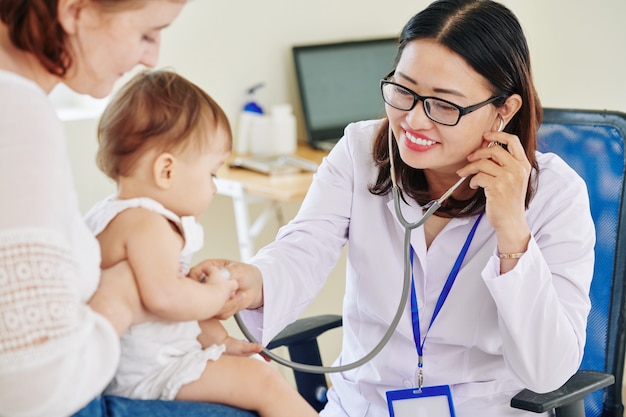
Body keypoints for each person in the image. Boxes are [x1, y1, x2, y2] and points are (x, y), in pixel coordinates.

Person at [202, 1, 595, 416]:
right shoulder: (358, 153)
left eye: (444, 105)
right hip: (362, 406)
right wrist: (254, 280)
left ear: (504, 110)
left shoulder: (556, 194)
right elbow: (302, 250)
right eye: (404, 91)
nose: (413, 120)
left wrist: (513, 229)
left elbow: (548, 372)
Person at [0, 1, 255, 416]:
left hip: (103, 378)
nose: (150, 57)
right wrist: (124, 296)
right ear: (74, 10)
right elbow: (34, 388)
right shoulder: (17, 114)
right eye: (147, 34)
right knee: (262, 387)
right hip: (87, 394)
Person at [84, 68, 319, 417]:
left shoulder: (108, 215)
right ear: (167, 171)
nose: (213, 186)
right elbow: (165, 299)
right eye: (211, 173)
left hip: (145, 362)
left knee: (253, 372)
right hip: (152, 372)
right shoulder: (148, 224)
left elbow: (161, 309)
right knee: (262, 382)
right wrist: (216, 292)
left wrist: (220, 341)